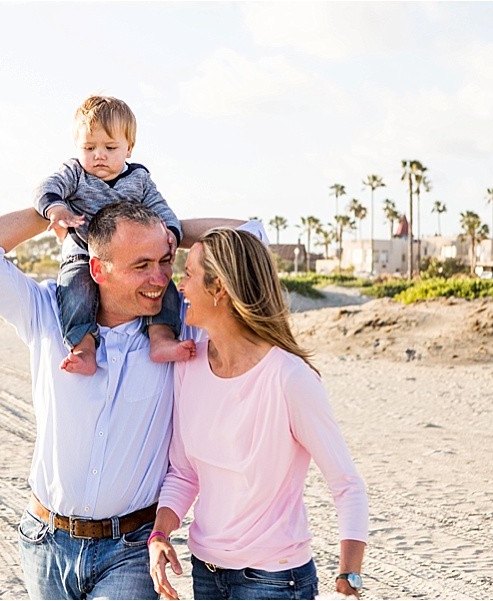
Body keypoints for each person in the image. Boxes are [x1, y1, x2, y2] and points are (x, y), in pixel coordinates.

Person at [0, 202, 265, 600]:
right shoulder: (47, 313)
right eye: (141, 264)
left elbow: (254, 236)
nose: (160, 278)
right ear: (98, 269)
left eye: (166, 260)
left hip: (131, 550)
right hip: (45, 541)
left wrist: (171, 228)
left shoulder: (183, 329)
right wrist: (59, 213)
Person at [147, 227, 369, 600]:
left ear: (219, 288)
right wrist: (159, 535)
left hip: (274, 581)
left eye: (188, 275)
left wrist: (350, 574)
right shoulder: (188, 362)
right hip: (206, 572)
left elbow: (347, 484)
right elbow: (184, 472)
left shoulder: (289, 377)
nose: (178, 287)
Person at [34, 95, 191, 376]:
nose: (99, 155)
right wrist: (56, 208)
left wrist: (171, 235)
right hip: (82, 249)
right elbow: (47, 187)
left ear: (129, 148)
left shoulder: (139, 179)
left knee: (162, 285)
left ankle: (161, 338)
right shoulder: (75, 174)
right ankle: (83, 347)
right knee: (75, 291)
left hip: (127, 255)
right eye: (89, 147)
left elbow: (161, 209)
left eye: (110, 147)